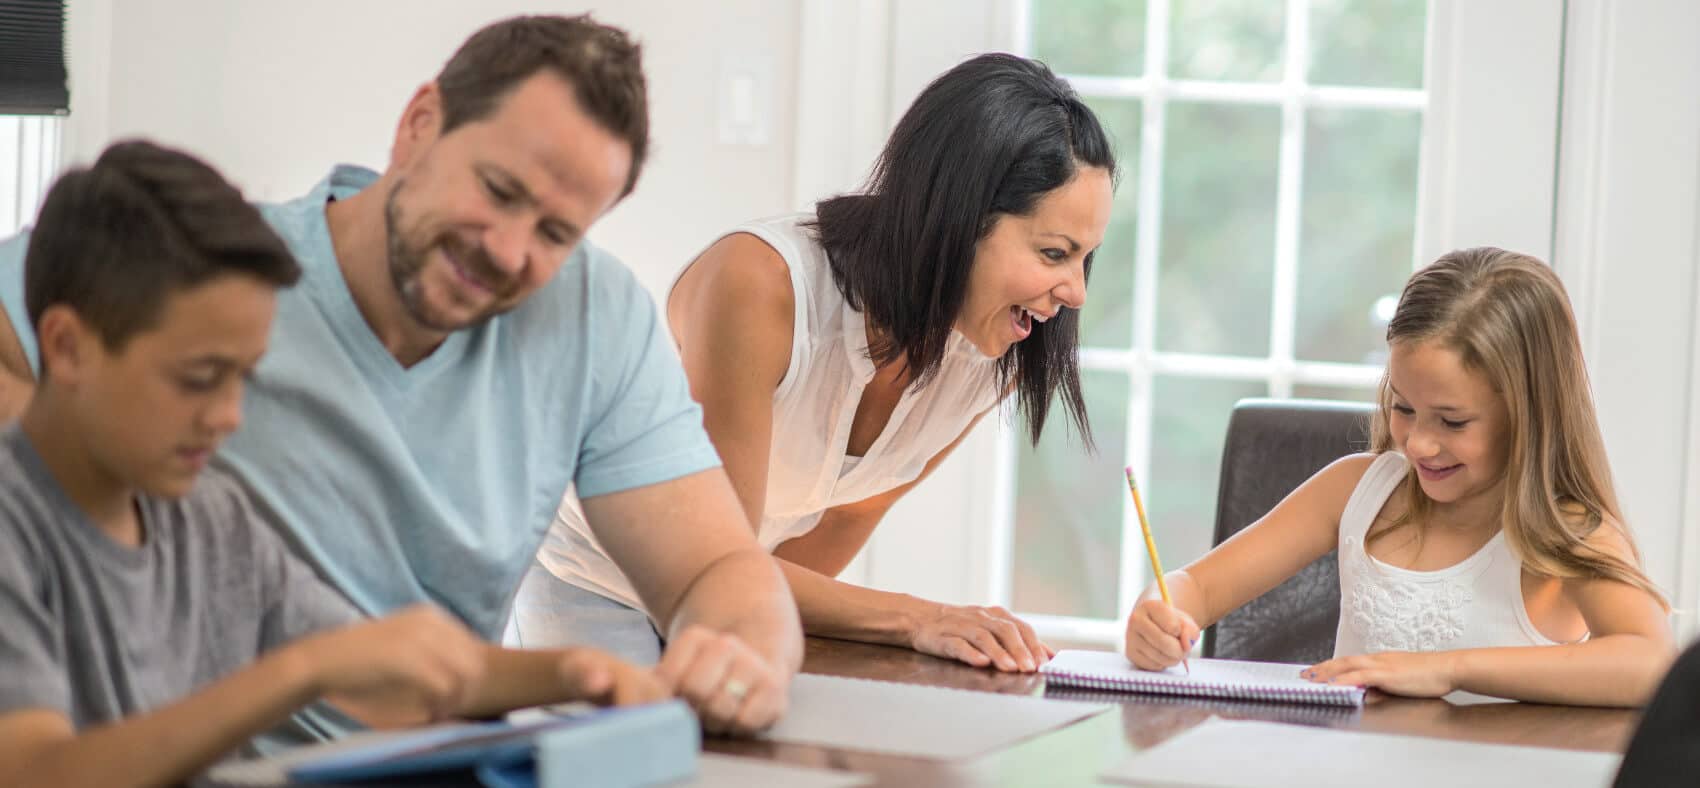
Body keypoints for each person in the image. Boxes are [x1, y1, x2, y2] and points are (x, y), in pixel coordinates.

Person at [0, 14, 801, 737]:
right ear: (419, 124)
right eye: (498, 190)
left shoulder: (596, 316)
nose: (509, 249)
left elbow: (718, 569)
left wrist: (741, 660)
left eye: (556, 231)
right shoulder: (217, 275)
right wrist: (78, 499)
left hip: (420, 752)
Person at [0, 142, 667, 788]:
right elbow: (33, 774)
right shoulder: (14, 525)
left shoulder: (207, 517)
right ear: (66, 346)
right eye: (200, 378)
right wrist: (303, 670)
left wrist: (578, 675)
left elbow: (390, 671)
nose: (230, 415)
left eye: (244, 378)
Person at [518, 53, 1116, 673]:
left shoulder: (992, 351)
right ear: (957, 217)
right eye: (1053, 253)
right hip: (602, 575)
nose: (1075, 291)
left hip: (734, 589)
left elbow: (846, 519)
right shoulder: (758, 284)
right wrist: (919, 617)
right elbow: (714, 562)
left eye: (1084, 258)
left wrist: (763, 631)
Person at [1122, 247, 1674, 706]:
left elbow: (1651, 663)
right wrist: (1161, 611)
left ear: (1529, 414)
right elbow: (1198, 586)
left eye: (1452, 421)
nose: (1418, 443)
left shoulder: (1568, 529)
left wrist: (1450, 669)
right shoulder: (1354, 491)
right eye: (1403, 407)